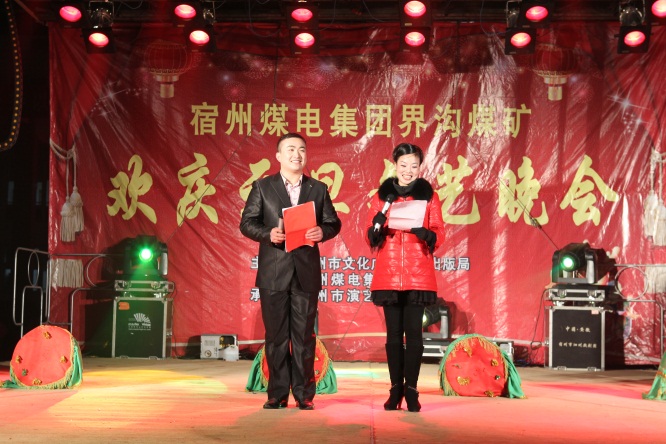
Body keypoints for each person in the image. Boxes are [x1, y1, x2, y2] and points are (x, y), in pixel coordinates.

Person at [240, 133, 342, 411]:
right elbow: (247, 222)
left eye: (301, 150)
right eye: (291, 149)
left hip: (306, 272)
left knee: (304, 337)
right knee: (276, 337)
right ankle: (277, 394)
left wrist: (322, 231)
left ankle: (304, 394)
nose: (297, 154)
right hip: (274, 272)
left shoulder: (318, 188)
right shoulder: (263, 187)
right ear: (279, 156)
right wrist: (268, 234)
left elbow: (333, 222)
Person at [365, 142, 445, 413]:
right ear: (395, 165)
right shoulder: (383, 197)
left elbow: (440, 231)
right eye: (403, 165)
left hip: (418, 273)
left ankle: (411, 390)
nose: (408, 170)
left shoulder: (429, 197)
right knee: (393, 336)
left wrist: (427, 234)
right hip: (388, 274)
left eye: (414, 165)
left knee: (414, 335)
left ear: (420, 167)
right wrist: (375, 228)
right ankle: (394, 389)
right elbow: (369, 232)